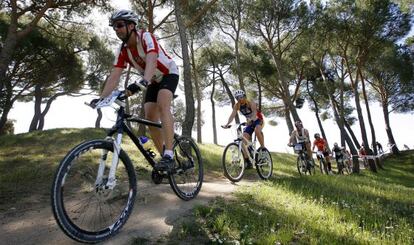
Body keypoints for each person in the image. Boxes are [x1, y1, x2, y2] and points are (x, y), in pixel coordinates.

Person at [91, 10, 179, 171]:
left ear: (131, 26)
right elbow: (115, 75)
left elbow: (152, 59)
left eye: (119, 25)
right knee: (151, 118)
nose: (116, 29)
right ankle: (164, 162)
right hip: (151, 80)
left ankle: (169, 154)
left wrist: (144, 80)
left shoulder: (145, 37)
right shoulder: (123, 50)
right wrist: (101, 98)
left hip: (168, 73)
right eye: (114, 27)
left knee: (162, 104)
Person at [223, 90, 266, 169]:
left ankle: (263, 148)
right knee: (243, 140)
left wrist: (251, 119)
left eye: (241, 97)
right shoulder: (237, 105)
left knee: (257, 130)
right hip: (249, 123)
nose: (240, 99)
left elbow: (254, 113)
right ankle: (248, 161)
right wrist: (227, 124)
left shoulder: (250, 103)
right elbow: (232, 115)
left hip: (258, 120)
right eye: (237, 98)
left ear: (244, 96)